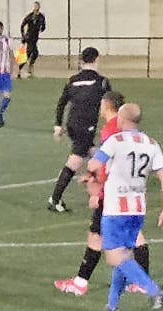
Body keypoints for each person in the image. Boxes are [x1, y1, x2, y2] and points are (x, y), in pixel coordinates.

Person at [55, 91, 154, 297]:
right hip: (131, 191)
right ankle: (140, 280)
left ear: (107, 106)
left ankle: (81, 283)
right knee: (128, 234)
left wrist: (96, 190)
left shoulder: (111, 130)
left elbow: (107, 163)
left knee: (99, 236)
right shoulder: (126, 129)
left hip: (113, 194)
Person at [87, 100, 163, 311]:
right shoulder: (152, 143)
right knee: (124, 254)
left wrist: (91, 175)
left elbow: (93, 165)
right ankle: (111, 306)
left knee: (115, 257)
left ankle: (153, 290)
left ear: (122, 120)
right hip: (137, 208)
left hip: (116, 208)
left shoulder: (115, 140)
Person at [49, 47, 114, 212]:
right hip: (86, 126)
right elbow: (111, 103)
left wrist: (58, 124)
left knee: (99, 154)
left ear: (82, 61)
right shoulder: (101, 82)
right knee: (76, 160)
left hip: (72, 124)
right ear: (97, 60)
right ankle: (55, 199)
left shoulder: (72, 80)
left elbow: (62, 103)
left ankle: (106, 188)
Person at [19, 2, 47, 79]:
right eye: (35, 6)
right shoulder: (30, 16)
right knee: (30, 52)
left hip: (35, 37)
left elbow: (43, 26)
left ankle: (28, 66)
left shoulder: (41, 16)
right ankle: (20, 68)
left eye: (37, 6)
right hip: (29, 37)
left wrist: (42, 29)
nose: (36, 7)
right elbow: (22, 25)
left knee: (35, 53)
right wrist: (23, 36)